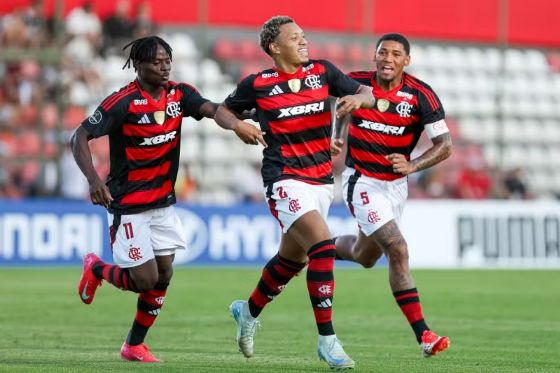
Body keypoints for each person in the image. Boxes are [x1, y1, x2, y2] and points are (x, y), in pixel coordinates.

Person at [214, 15, 374, 370]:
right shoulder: (258, 84)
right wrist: (239, 124)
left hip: (319, 181)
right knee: (322, 245)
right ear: (275, 47)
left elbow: (366, 91)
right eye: (295, 37)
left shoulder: (322, 71)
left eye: (304, 36)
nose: (304, 42)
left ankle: (248, 311)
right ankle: (328, 341)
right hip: (283, 179)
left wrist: (359, 102)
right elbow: (223, 111)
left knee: (291, 262)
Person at [72, 36, 220, 363]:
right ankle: (96, 268)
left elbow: (211, 109)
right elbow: (79, 135)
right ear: (138, 65)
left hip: (163, 205)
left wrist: (239, 117)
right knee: (144, 280)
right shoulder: (122, 102)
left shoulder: (179, 95)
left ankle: (134, 346)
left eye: (168, 59)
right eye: (156, 61)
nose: (164, 66)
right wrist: (94, 180)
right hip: (129, 207)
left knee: (164, 275)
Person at [331, 33, 452, 358]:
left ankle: (315, 247)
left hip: (396, 186)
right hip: (362, 181)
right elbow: (333, 104)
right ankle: (424, 335)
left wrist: (413, 165)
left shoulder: (420, 94)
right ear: (374, 57)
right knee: (397, 249)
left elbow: (445, 145)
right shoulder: (355, 83)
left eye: (396, 54)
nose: (388, 58)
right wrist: (337, 136)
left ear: (406, 61)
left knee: (365, 255)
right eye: (382, 52)